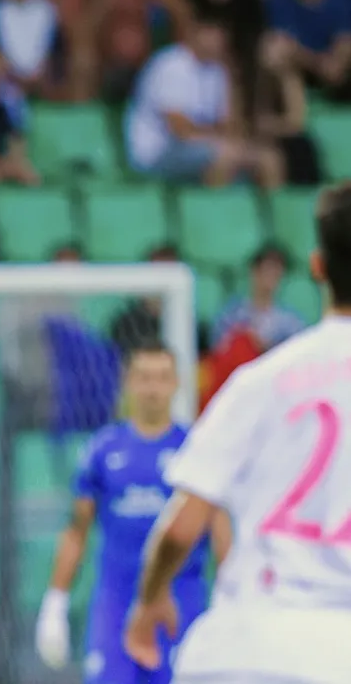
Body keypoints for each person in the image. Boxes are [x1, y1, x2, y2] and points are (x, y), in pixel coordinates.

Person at [125, 181, 351, 683]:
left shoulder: (261, 379)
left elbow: (182, 525)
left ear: (317, 267)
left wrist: (150, 598)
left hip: (245, 646)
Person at [35, 343, 232, 683]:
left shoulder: (195, 450)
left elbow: (220, 532)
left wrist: (232, 602)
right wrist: (55, 601)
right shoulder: (102, 450)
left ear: (176, 383)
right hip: (115, 604)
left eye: (161, 378)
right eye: (144, 377)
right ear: (128, 382)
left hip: (181, 603)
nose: (153, 388)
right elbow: (77, 531)